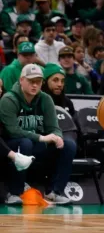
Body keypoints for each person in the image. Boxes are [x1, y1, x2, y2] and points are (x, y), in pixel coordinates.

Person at [0, 64, 77, 205]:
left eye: (39, 81)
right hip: (11, 146)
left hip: (37, 145)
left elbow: (54, 127)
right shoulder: (9, 99)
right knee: (25, 143)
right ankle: (14, 192)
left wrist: (57, 136)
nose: (35, 85)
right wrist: (41, 138)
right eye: (31, 81)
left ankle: (55, 192)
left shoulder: (45, 99)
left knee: (69, 145)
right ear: (21, 80)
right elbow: (13, 131)